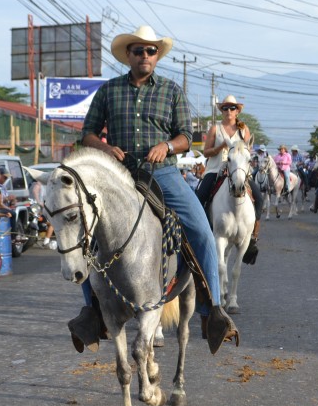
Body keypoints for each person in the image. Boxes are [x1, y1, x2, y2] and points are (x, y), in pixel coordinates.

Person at [75, 25, 238, 353]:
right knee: (84, 235)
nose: (145, 55)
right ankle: (92, 311)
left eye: (151, 51)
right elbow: (88, 133)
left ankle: (213, 311)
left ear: (157, 56)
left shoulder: (171, 91)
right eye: (138, 50)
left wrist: (167, 146)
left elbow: (186, 136)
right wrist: (105, 148)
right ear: (129, 55)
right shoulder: (108, 91)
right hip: (119, 175)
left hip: (162, 173)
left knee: (202, 232)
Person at [197, 95, 264, 246]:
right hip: (215, 169)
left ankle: (253, 234)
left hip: (239, 171)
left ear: (237, 111)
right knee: (200, 197)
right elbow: (206, 152)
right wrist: (221, 147)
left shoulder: (243, 129)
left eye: (232, 108)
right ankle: (201, 231)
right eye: (225, 108)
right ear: (222, 111)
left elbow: (247, 152)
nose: (229, 111)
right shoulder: (215, 129)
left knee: (259, 198)